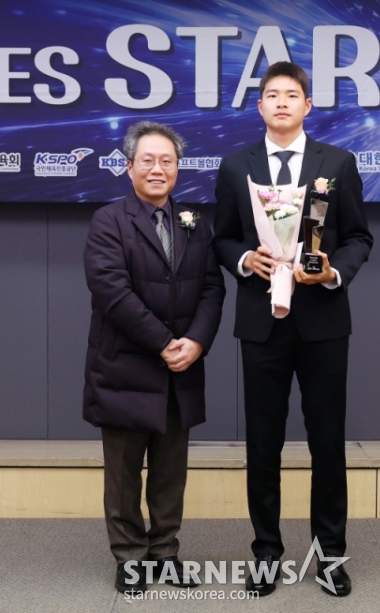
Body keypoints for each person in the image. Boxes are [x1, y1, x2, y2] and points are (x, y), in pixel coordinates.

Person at [212, 61, 373, 597]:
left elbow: (358, 238)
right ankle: (266, 553)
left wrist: (333, 273)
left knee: (328, 444)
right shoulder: (237, 167)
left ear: (308, 106)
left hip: (323, 321)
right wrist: (243, 261)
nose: (282, 102)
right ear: (259, 106)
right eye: (272, 95)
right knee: (263, 444)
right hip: (261, 322)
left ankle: (330, 555)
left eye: (292, 94)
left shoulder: (338, 163)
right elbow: (222, 238)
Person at [83, 121, 225, 595]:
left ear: (178, 169)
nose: (158, 169)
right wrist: (165, 343)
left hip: (179, 371)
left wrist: (197, 342)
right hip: (125, 367)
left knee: (170, 471)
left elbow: (211, 288)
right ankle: (129, 558)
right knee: (123, 473)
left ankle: (165, 552)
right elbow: (111, 293)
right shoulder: (109, 221)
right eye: (148, 160)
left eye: (167, 161)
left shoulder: (195, 223)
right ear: (129, 168)